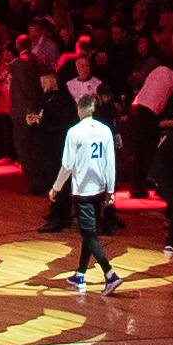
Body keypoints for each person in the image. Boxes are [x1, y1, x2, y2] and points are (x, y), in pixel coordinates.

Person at [52, 94, 127, 292]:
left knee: (89, 234)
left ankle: (110, 274)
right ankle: (80, 274)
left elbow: (67, 166)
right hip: (100, 189)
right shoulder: (105, 130)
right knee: (89, 233)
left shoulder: (74, 132)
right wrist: (111, 190)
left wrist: (56, 188)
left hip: (83, 190)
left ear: (80, 110)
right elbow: (111, 163)